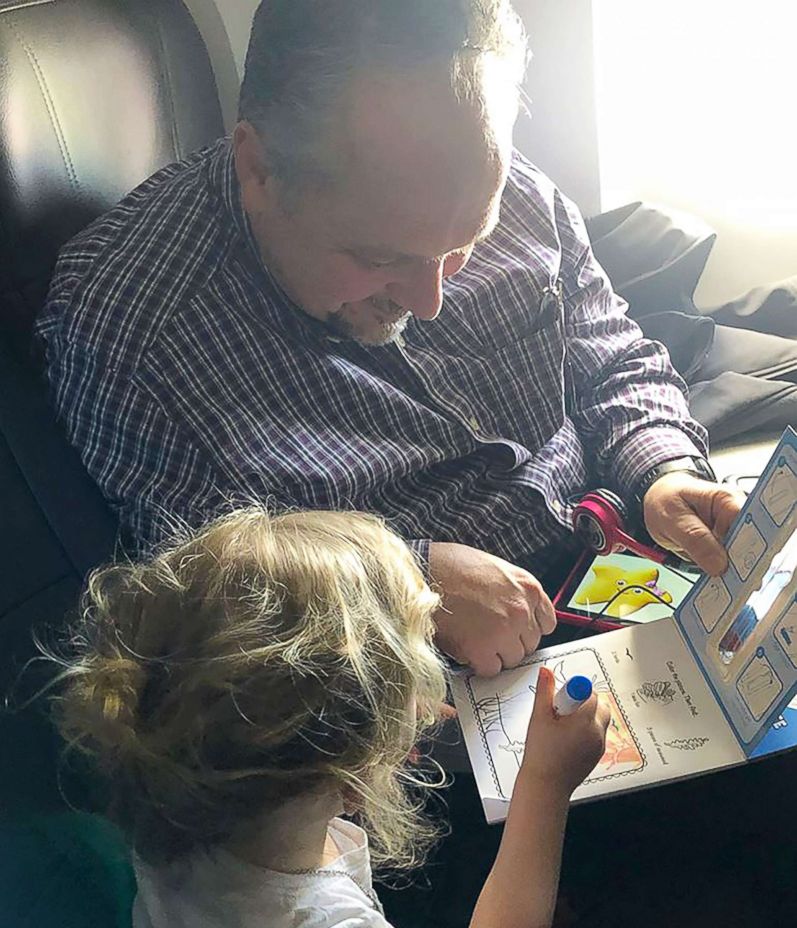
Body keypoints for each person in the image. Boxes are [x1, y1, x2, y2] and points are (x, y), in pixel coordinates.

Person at [35, 0, 744, 677]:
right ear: (257, 169)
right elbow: (212, 602)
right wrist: (404, 578)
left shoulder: (478, 176)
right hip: (433, 671)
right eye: (377, 259)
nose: (429, 300)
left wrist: (662, 471)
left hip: (617, 540)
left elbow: (609, 354)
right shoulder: (133, 340)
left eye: (471, 239)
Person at [51, 506, 610, 928]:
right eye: (417, 679)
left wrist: (375, 733)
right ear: (350, 776)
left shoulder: (177, 773)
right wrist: (545, 781)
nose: (423, 701)